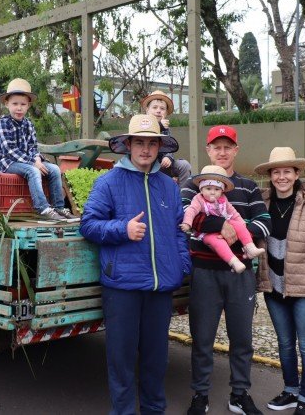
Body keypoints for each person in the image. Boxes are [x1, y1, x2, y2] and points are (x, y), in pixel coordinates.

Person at [80, 114, 191, 415]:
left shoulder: (169, 187)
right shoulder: (109, 182)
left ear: (159, 147)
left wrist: (181, 265)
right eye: (139, 142)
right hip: (123, 287)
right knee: (122, 361)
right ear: (128, 145)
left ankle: (155, 410)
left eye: (151, 143)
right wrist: (122, 230)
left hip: (160, 287)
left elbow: (179, 230)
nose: (145, 149)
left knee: (156, 361)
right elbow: (88, 225)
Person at [181, 125, 272, 415]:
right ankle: (200, 394)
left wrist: (234, 229)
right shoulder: (192, 186)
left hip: (240, 273)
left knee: (242, 338)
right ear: (208, 150)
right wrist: (217, 225)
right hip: (204, 271)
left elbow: (264, 221)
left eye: (227, 146)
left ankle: (240, 393)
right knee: (203, 338)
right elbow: (183, 220)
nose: (222, 152)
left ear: (236, 149)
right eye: (216, 147)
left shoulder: (247, 187)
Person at [252, 148, 305, 415]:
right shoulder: (262, 204)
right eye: (276, 172)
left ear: (297, 174)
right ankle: (291, 390)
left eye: (287, 171)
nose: (281, 176)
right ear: (270, 176)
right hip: (273, 288)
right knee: (285, 343)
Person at [0, 78, 77, 222]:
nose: (19, 108)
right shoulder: (3, 124)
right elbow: (10, 150)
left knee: (55, 169)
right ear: (7, 104)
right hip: (7, 163)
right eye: (15, 104)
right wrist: (33, 162)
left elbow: (32, 146)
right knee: (34, 171)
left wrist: (36, 158)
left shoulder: (28, 124)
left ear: (28, 106)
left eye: (23, 104)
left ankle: (58, 207)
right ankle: (43, 208)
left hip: (27, 161)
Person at [180, 165, 265, 273]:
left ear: (222, 191)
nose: (212, 192)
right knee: (218, 242)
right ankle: (234, 262)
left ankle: (250, 248)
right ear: (201, 189)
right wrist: (188, 223)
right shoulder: (198, 200)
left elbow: (233, 212)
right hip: (207, 233)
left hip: (228, 224)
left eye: (217, 189)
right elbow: (190, 211)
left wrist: (241, 224)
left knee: (238, 225)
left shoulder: (223, 200)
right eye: (208, 188)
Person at [140, 90, 192, 183]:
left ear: (166, 113)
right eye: (155, 107)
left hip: (162, 165)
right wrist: (159, 125)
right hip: (146, 164)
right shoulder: (142, 123)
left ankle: (183, 195)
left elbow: (169, 146)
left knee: (184, 165)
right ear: (147, 110)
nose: (158, 110)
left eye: (162, 108)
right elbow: (146, 136)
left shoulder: (166, 128)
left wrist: (168, 157)